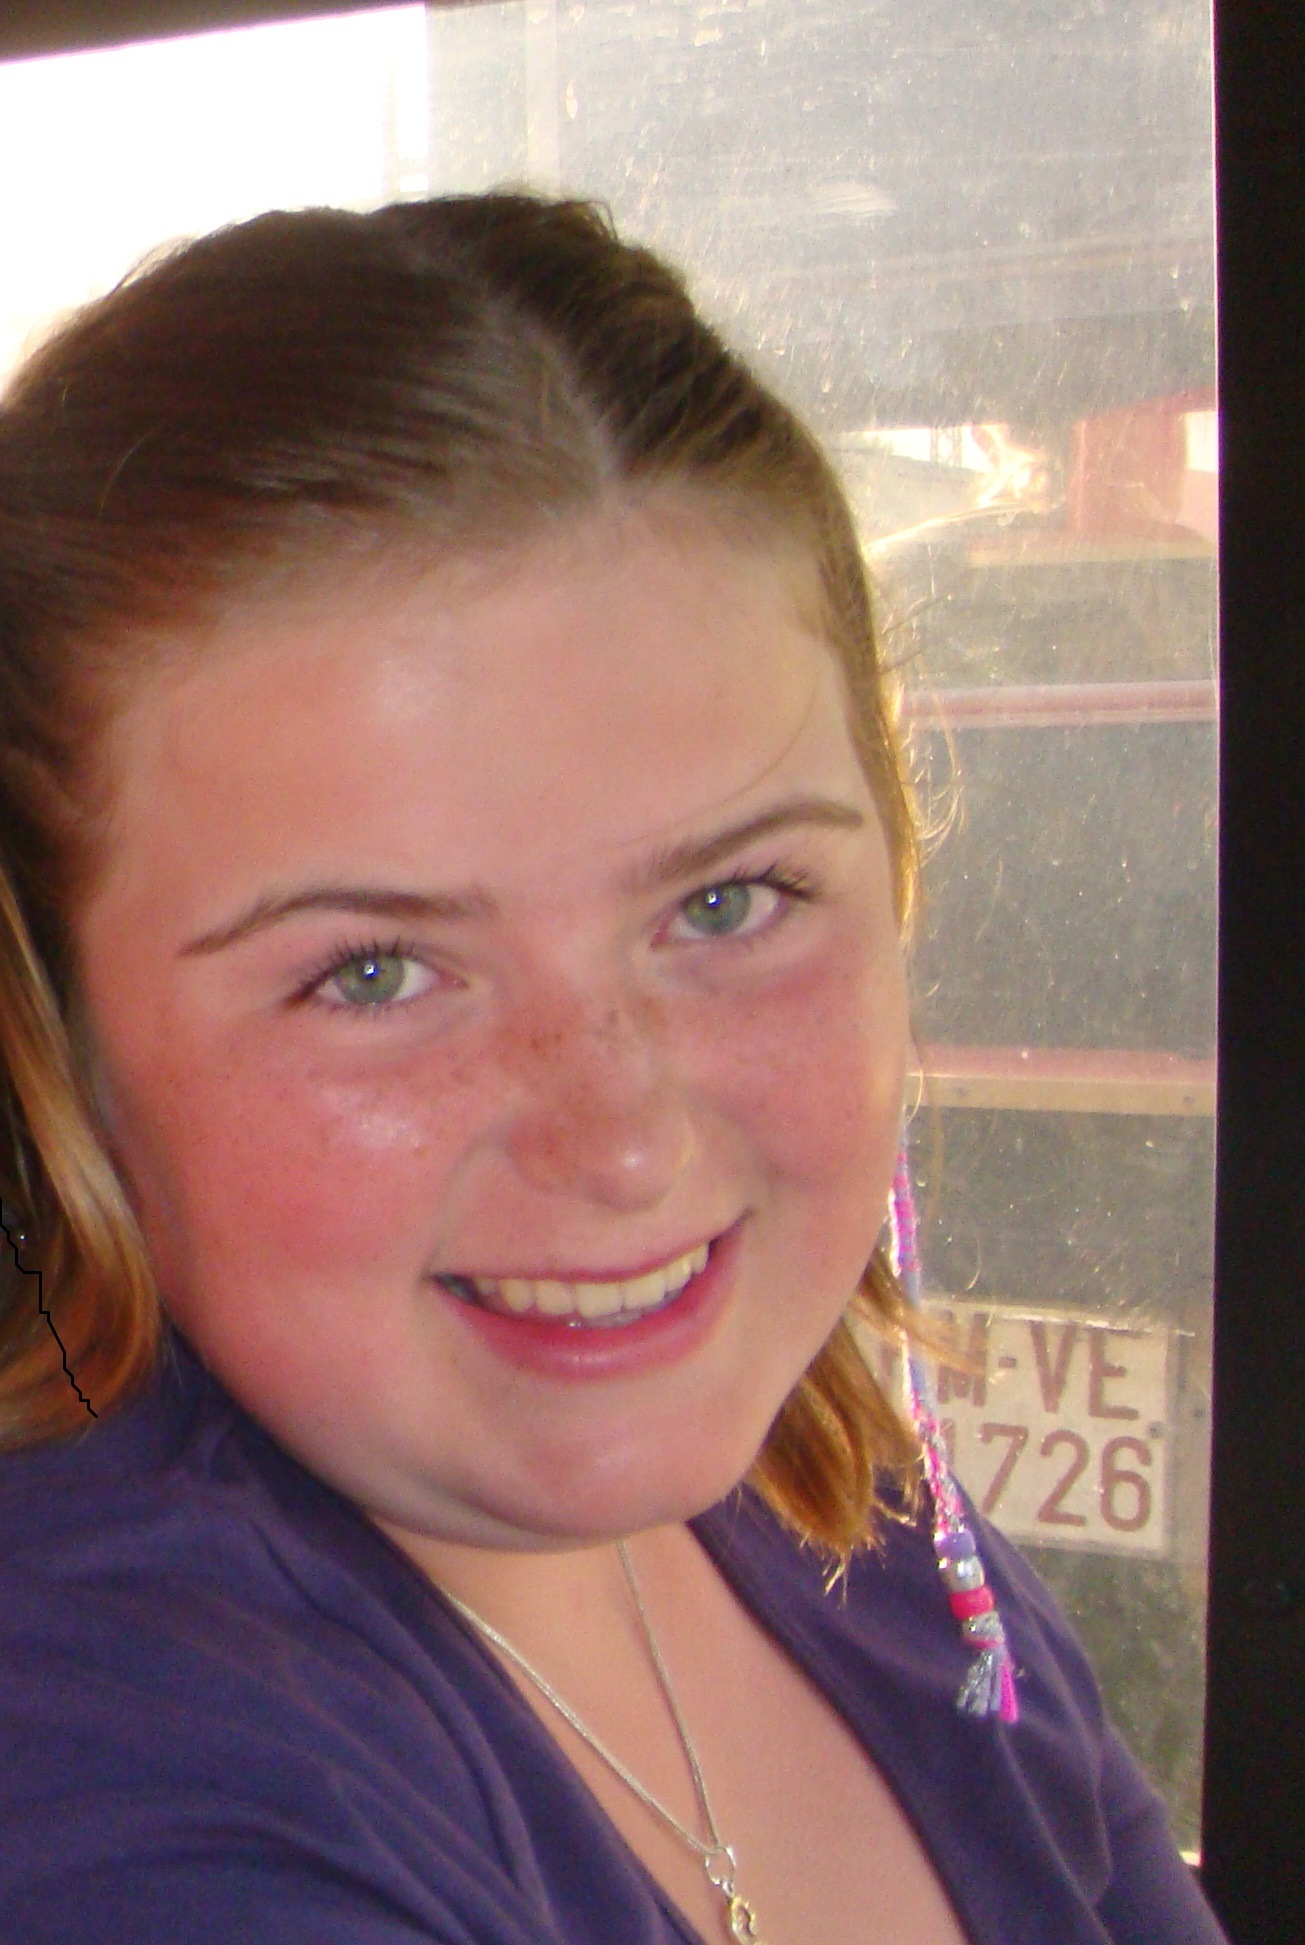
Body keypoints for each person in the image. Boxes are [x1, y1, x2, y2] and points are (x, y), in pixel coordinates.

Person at [0, 194, 1225, 1945]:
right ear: (54, 1043)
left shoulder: (862, 1525)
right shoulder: (101, 1768)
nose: (623, 1141)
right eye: (374, 971)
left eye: (728, 901)